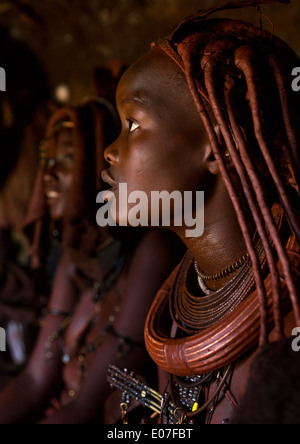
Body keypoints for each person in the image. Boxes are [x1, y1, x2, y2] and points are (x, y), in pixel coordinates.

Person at [102, 0, 300, 424]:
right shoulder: (186, 303)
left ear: (217, 147)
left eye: (132, 124)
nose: (110, 150)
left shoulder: (289, 328)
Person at [0, 97, 184, 424]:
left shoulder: (151, 252)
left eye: (69, 158)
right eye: (48, 160)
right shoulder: (78, 261)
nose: (49, 174)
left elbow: (83, 408)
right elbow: (33, 380)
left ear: (99, 164)